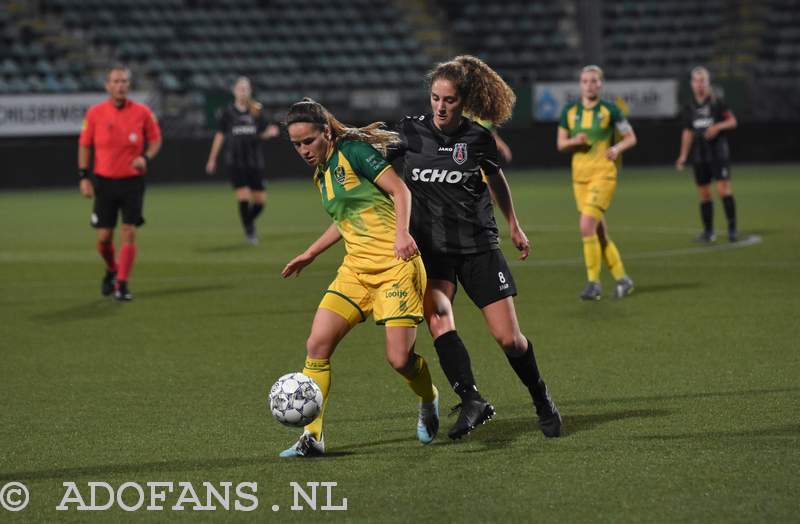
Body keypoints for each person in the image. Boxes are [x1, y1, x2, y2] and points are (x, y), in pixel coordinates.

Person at [388, 55, 562, 439]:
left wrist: (514, 225)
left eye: (448, 100)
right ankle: (472, 400)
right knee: (438, 317)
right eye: (434, 98)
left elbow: (496, 180)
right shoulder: (410, 133)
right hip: (433, 251)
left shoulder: (477, 139)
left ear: (462, 102)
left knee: (508, 339)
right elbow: (374, 160)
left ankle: (541, 397)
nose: (439, 106)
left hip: (478, 246)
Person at [279, 98, 439, 457]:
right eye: (296, 145)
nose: (304, 150)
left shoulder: (352, 152)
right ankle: (312, 437)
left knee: (400, 360)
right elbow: (346, 219)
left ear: (325, 132)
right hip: (356, 270)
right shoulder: (321, 172)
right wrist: (311, 252)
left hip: (396, 266)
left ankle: (429, 399)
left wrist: (402, 234)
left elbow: (400, 190)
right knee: (316, 346)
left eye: (308, 142)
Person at [78, 65, 162, 301]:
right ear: (108, 86)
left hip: (132, 183)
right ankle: (112, 269)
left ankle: (122, 284)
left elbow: (156, 140)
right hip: (104, 182)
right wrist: (84, 177)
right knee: (103, 239)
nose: (120, 85)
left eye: (124, 81)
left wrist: (145, 157)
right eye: (116, 81)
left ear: (129, 85)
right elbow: (84, 144)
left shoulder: (142, 112)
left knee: (128, 231)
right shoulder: (95, 113)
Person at [557, 65, 637, 301]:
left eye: (594, 81)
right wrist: (574, 141)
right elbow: (560, 144)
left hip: (603, 175)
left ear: (600, 84)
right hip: (579, 178)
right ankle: (623, 279)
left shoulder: (610, 110)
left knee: (585, 226)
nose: (589, 85)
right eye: (585, 81)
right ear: (580, 84)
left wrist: (617, 147)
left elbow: (631, 137)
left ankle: (593, 283)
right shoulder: (569, 111)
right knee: (598, 233)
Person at [206, 77, 279, 244]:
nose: (243, 91)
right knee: (244, 196)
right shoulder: (227, 113)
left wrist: (270, 132)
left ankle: (248, 222)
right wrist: (212, 159)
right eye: (240, 88)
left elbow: (263, 132)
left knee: (260, 202)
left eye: (246, 88)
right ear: (234, 91)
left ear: (250, 91)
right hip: (235, 160)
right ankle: (250, 231)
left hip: (254, 161)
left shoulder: (256, 111)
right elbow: (220, 135)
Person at [675, 66, 739, 242]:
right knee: (704, 194)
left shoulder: (718, 103)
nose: (699, 84)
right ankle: (709, 232)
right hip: (699, 155)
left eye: (702, 80)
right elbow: (687, 132)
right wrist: (683, 155)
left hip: (718, 153)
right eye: (696, 81)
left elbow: (733, 121)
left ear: (708, 82)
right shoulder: (689, 107)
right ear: (691, 84)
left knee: (723, 190)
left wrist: (717, 126)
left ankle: (732, 228)